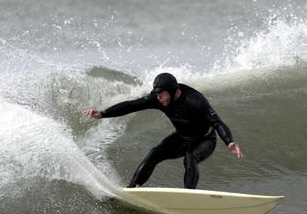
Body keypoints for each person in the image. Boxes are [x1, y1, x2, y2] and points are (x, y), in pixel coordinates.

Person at [84, 73, 243, 189]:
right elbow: (133, 105)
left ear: (173, 91)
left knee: (190, 157)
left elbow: (217, 122)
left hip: (205, 139)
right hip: (182, 137)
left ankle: (189, 196)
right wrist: (103, 113)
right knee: (154, 154)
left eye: (161, 93)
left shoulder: (194, 100)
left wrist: (229, 141)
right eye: (156, 93)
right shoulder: (158, 98)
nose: (158, 97)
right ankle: (131, 190)